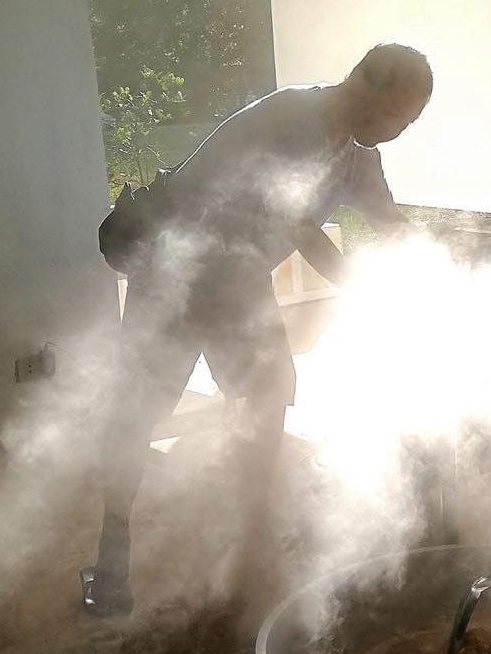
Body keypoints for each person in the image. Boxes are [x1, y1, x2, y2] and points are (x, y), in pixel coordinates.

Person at [83, 44, 433, 615]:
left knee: (268, 395)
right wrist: (372, 292)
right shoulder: (292, 119)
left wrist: (439, 267)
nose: (401, 131)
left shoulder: (355, 152)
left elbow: (389, 224)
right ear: (366, 86)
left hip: (237, 277)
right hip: (176, 265)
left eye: (410, 122)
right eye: (402, 116)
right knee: (139, 409)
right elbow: (301, 231)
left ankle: (248, 544)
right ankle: (111, 559)